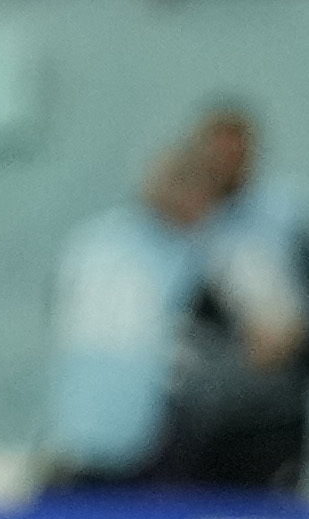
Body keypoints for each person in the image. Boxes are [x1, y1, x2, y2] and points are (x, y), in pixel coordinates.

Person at [45, 104, 307, 488]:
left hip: (204, 434)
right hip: (116, 430)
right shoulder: (112, 243)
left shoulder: (259, 228)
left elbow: (272, 339)